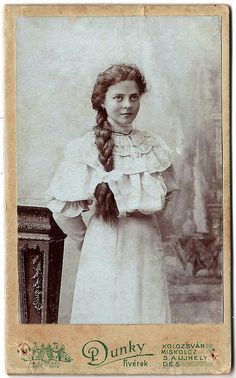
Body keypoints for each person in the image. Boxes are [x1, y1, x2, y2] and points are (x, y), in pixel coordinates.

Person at [46, 63, 179, 324]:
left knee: (145, 315)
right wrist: (86, 239)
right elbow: (61, 205)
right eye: (118, 98)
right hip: (103, 244)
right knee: (107, 315)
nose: (127, 105)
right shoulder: (86, 147)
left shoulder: (152, 145)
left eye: (134, 97)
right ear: (102, 102)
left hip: (146, 243)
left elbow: (170, 191)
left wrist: (147, 219)